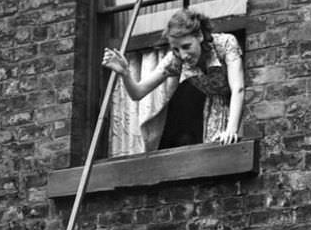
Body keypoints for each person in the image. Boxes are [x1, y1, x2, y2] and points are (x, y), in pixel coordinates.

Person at [102, 9, 244, 152]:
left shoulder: (226, 43)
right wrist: (125, 73)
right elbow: (138, 92)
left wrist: (231, 129)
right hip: (216, 111)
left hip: (241, 104)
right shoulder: (175, 60)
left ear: (199, 35)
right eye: (176, 49)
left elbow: (238, 88)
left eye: (186, 46)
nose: (182, 55)